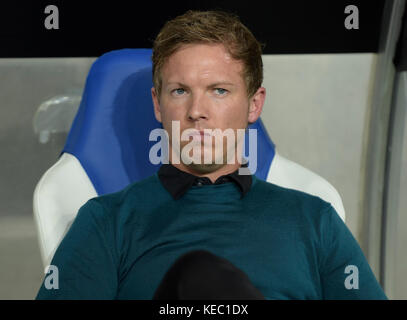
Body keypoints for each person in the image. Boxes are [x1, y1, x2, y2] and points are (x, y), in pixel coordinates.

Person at [36, 10, 387, 300]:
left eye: (219, 90)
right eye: (179, 91)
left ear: (254, 104)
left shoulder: (315, 220)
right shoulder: (104, 222)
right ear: (158, 104)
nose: (197, 110)